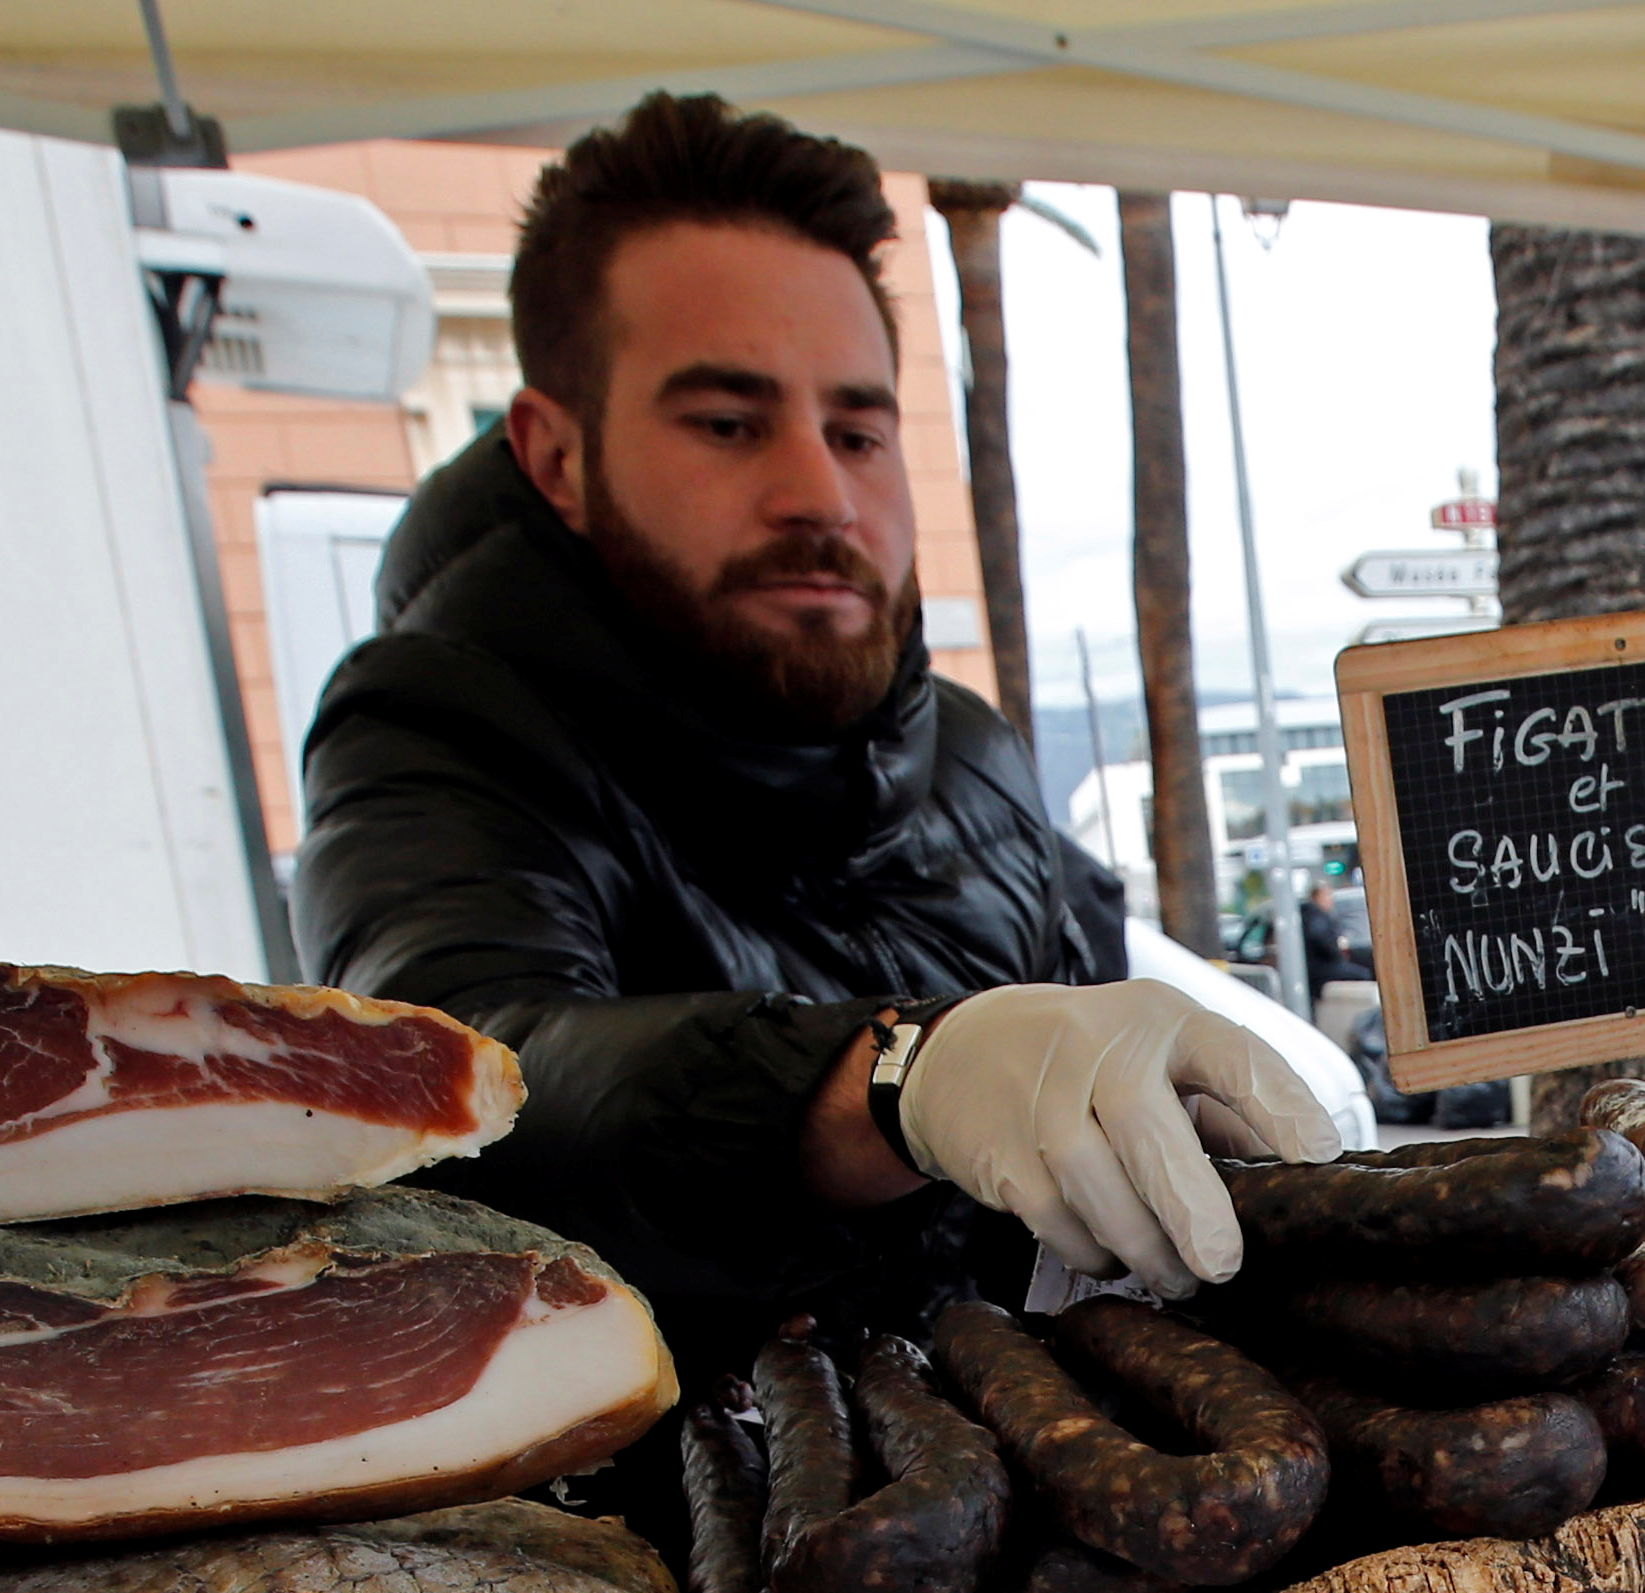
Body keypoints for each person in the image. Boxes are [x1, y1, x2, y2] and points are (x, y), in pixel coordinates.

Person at [295, 94, 1329, 1387]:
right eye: (728, 425)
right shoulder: (437, 725)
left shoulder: (972, 754)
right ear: (556, 456)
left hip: (1064, 1507)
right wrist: (895, 1082)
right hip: (673, 1555)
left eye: (856, 431)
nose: (819, 495)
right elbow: (461, 1081)